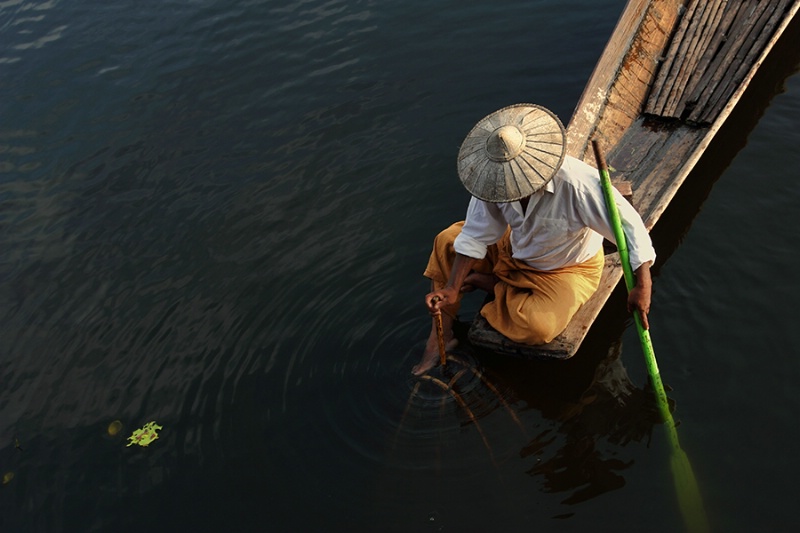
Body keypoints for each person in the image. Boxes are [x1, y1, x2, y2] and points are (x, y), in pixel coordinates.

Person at [412, 103, 656, 376]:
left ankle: (495, 286)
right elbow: (475, 234)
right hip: (513, 248)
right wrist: (453, 288)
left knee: (538, 327)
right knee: (447, 241)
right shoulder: (493, 180)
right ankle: (440, 336)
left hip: (566, 268)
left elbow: (631, 227)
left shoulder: (578, 184)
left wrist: (642, 286)